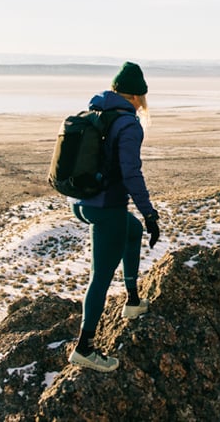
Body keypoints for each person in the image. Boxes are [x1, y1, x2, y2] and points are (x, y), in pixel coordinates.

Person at [68, 61, 161, 372]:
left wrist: (140, 220)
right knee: (100, 278)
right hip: (105, 207)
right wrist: (149, 213)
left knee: (131, 231)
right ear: (136, 96)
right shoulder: (129, 124)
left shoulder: (98, 112)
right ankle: (85, 347)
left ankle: (133, 300)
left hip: (83, 202)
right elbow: (131, 174)